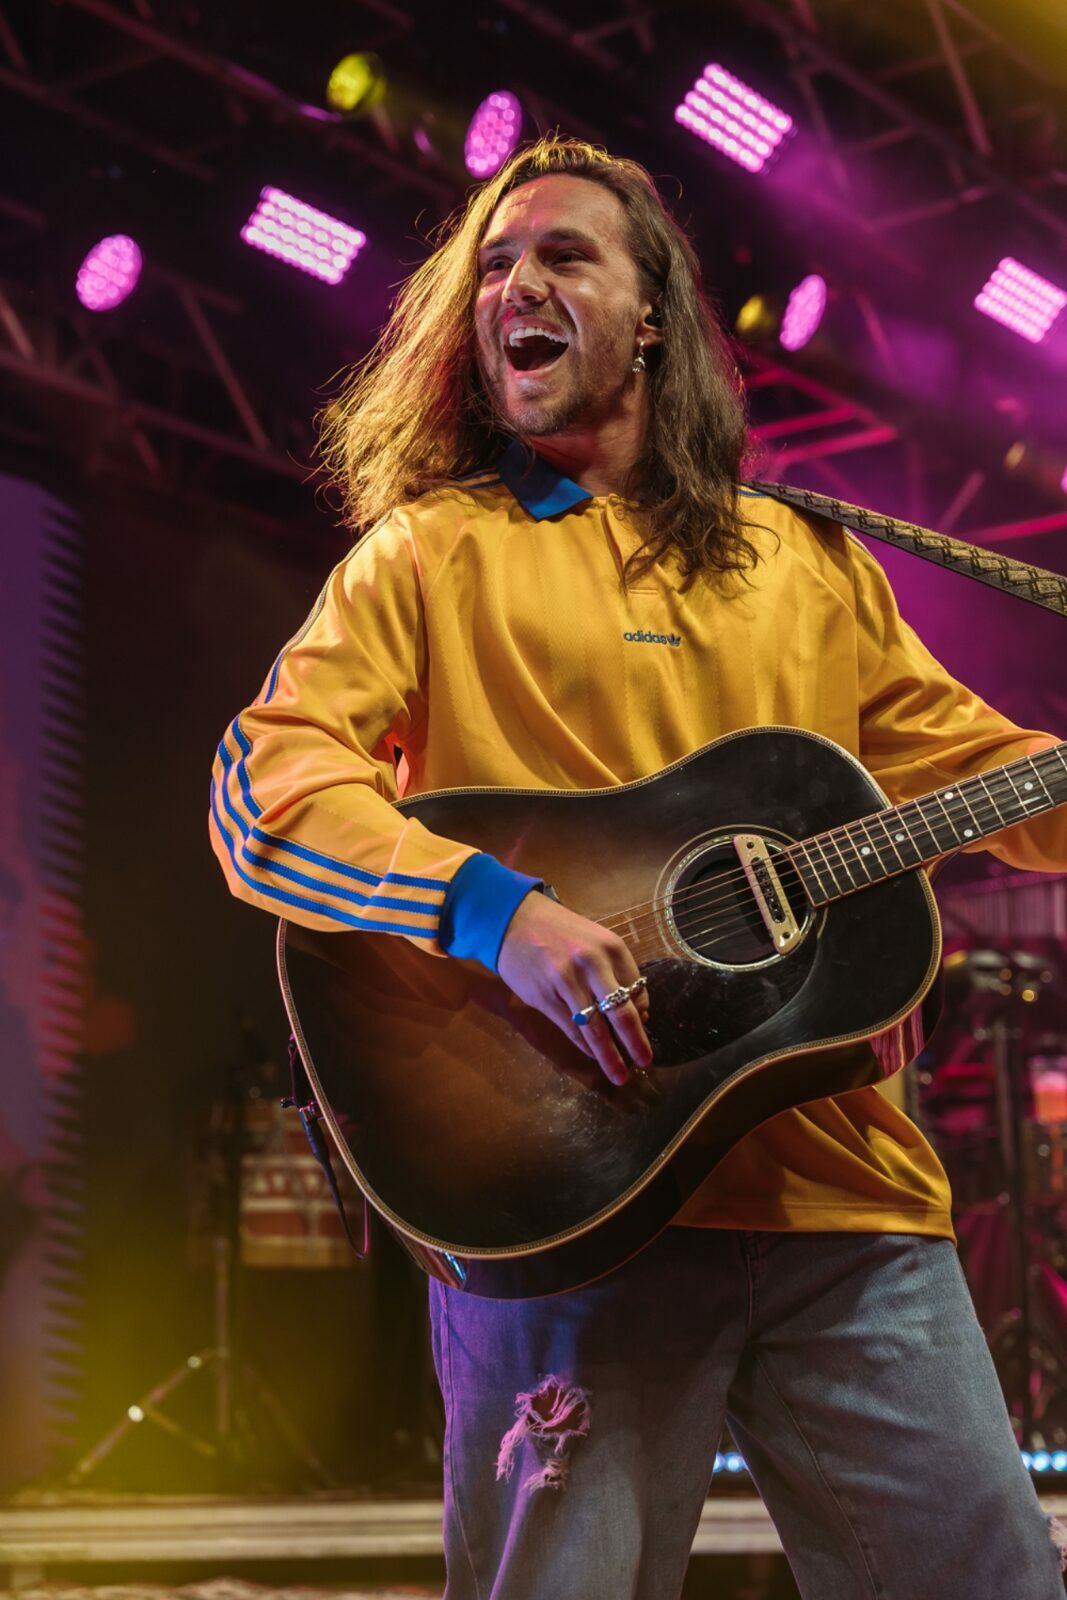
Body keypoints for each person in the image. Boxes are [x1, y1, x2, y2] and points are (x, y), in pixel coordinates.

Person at [209, 136, 1067, 1599]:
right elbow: (263, 784)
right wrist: (494, 912)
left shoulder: (809, 561)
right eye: (493, 264)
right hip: (567, 1208)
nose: (515, 286)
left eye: (562, 255)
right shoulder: (427, 554)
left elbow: (1006, 783)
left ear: (654, 313)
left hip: (846, 1206)